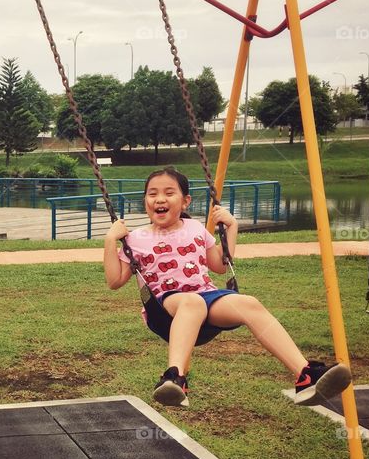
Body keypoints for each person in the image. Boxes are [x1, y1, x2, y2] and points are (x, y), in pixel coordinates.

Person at [103, 166, 351, 408]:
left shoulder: (196, 228)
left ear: (185, 201)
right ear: (145, 200)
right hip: (165, 306)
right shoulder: (136, 238)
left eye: (169, 193)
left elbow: (220, 265)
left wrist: (231, 227)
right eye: (152, 193)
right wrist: (110, 240)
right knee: (192, 302)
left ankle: (305, 375)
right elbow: (115, 281)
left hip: (207, 297)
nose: (160, 199)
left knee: (249, 303)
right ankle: (174, 377)